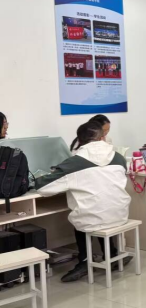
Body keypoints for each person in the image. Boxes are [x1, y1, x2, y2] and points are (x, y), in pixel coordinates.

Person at [36, 121, 132, 283]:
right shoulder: (119, 157)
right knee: (101, 208)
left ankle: (84, 261)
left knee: (85, 216)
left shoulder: (74, 163)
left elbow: (43, 188)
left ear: (79, 141)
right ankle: (112, 254)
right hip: (120, 214)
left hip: (94, 218)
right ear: (102, 137)